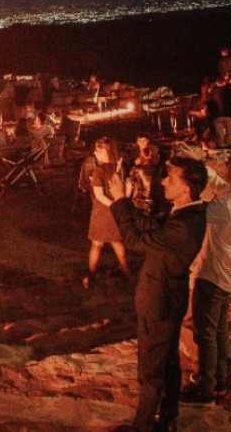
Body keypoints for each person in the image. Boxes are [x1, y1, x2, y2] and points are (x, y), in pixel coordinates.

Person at [94, 156, 208, 432]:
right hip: (167, 297)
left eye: (171, 178)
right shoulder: (186, 213)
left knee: (150, 370)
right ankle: (168, 419)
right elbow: (151, 229)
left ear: (186, 188)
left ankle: (142, 427)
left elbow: (134, 241)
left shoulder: (185, 223)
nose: (164, 181)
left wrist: (120, 201)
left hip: (160, 301)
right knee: (167, 361)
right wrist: (128, 206)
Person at [183, 146, 231, 405]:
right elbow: (217, 183)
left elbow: (194, 209)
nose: (224, 165)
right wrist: (198, 163)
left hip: (213, 274)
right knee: (218, 329)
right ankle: (219, 380)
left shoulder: (226, 208)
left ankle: (205, 388)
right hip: (229, 272)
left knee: (205, 332)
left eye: (228, 162)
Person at [81, 136, 127, 289]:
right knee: (116, 241)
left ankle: (91, 274)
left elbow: (99, 195)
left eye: (98, 150)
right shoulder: (118, 167)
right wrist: (119, 207)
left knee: (97, 244)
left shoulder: (99, 170)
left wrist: (112, 206)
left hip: (103, 211)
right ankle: (126, 270)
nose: (95, 152)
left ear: (106, 151)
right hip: (117, 209)